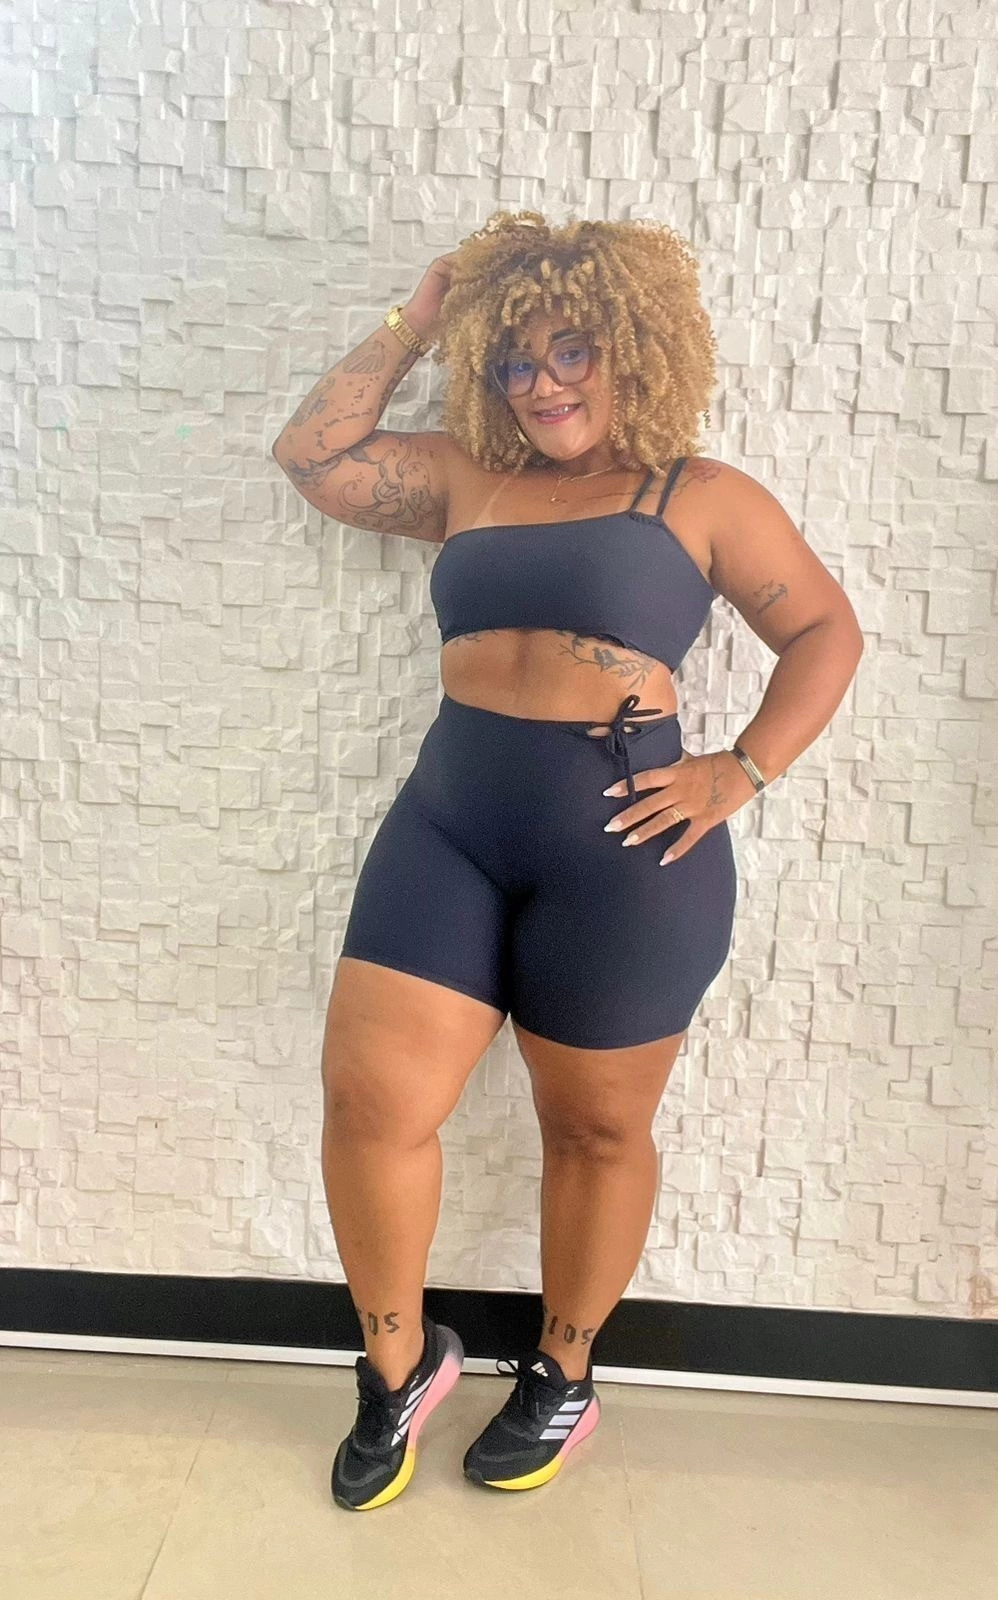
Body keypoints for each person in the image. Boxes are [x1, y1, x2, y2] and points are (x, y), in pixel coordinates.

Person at [271, 210, 864, 1512]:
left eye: (571, 351)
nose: (541, 383)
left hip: (626, 853)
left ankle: (564, 1372)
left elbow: (825, 628)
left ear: (632, 347)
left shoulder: (701, 496)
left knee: (593, 1127)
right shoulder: (466, 479)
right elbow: (312, 455)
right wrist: (417, 321)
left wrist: (741, 769)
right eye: (512, 359)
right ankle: (397, 1370)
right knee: (370, 1102)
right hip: (449, 830)